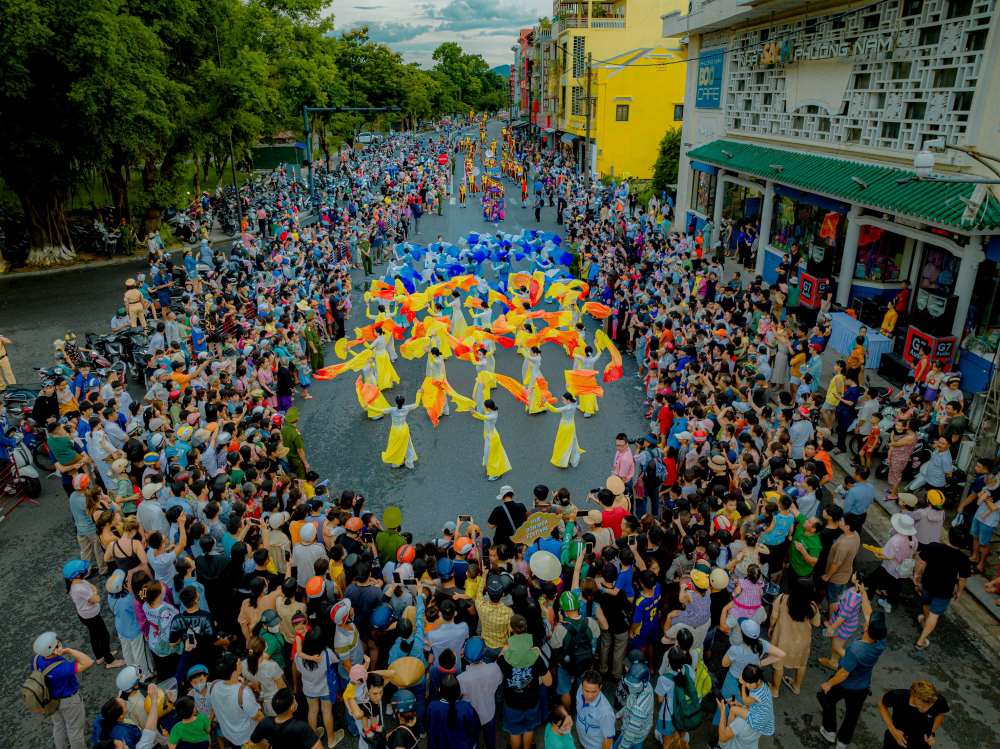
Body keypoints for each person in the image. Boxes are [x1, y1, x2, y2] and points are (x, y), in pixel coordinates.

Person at [817, 611, 888, 748]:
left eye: (867, 622)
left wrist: (828, 683)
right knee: (852, 715)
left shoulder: (856, 649)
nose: (865, 621)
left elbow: (843, 673)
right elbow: (869, 612)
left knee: (825, 697)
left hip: (845, 684)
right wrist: (863, 593)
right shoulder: (880, 643)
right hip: (862, 687)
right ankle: (843, 742)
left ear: (867, 628)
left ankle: (829, 730)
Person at [29, 631, 94, 749]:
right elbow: (88, 662)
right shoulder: (61, 668)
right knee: (74, 730)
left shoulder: (37, 659)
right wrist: (69, 650)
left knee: (58, 725)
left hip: (50, 700)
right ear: (54, 648)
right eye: (57, 642)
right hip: (69, 701)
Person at [913, 535, 971, 650]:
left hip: (928, 582)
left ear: (949, 536)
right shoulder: (963, 558)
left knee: (926, 603)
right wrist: (959, 591)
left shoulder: (934, 546)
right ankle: (921, 641)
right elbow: (962, 579)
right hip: (945, 589)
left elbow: (921, 563)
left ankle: (925, 621)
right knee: (934, 614)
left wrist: (917, 575)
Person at [768, 577, 821, 696]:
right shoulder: (812, 606)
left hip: (783, 639)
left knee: (778, 664)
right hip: (802, 642)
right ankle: (796, 686)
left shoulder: (782, 599)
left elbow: (773, 617)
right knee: (801, 664)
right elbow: (816, 623)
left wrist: (771, 628)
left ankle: (775, 689)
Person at [877, 680, 949, 749]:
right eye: (923, 705)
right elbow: (881, 704)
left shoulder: (938, 700)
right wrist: (893, 731)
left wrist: (932, 732)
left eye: (930, 705)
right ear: (913, 696)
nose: (926, 709)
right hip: (896, 738)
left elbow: (940, 713)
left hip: (921, 742)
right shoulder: (898, 696)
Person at [251, 687, 322, 749]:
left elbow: (254, 741)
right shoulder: (301, 727)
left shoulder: (265, 722)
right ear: (292, 707)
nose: (295, 700)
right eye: (294, 699)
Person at [427, 674, 480, 749]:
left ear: (440, 690)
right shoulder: (466, 708)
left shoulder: (432, 707)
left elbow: (430, 727)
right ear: (458, 690)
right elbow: (475, 728)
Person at [576, 670, 616, 749]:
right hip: (582, 740)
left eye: (594, 692)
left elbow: (608, 740)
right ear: (582, 685)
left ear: (600, 687)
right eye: (586, 691)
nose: (590, 696)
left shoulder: (605, 712)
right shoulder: (580, 689)